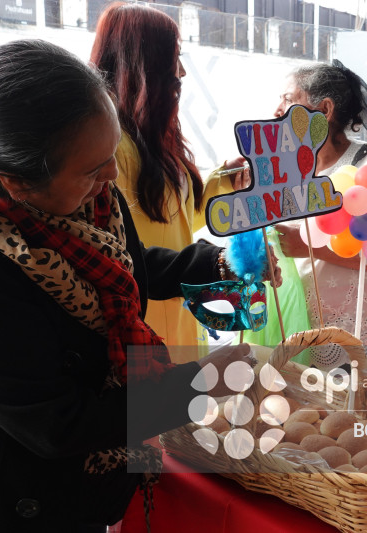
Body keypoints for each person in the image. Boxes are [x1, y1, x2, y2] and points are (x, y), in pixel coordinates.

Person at [0, 40, 278, 532]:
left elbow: (123, 268)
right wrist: (204, 383)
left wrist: (220, 263)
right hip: (11, 497)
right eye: (95, 170)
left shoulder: (89, 197)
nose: (112, 177)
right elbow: (58, 424)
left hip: (91, 480)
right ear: (18, 184)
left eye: (112, 154)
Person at [91, 2, 251, 355]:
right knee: (160, 408)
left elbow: (173, 222)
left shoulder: (154, 137)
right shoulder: (110, 148)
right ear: (142, 64)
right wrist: (220, 261)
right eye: (173, 58)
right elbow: (127, 247)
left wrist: (221, 181)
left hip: (180, 311)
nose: (181, 72)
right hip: (147, 325)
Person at [274, 61, 367, 379]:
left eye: (287, 98)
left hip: (361, 337)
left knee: (361, 424)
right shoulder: (288, 172)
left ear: (323, 109)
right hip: (302, 333)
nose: (276, 109)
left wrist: (307, 245)